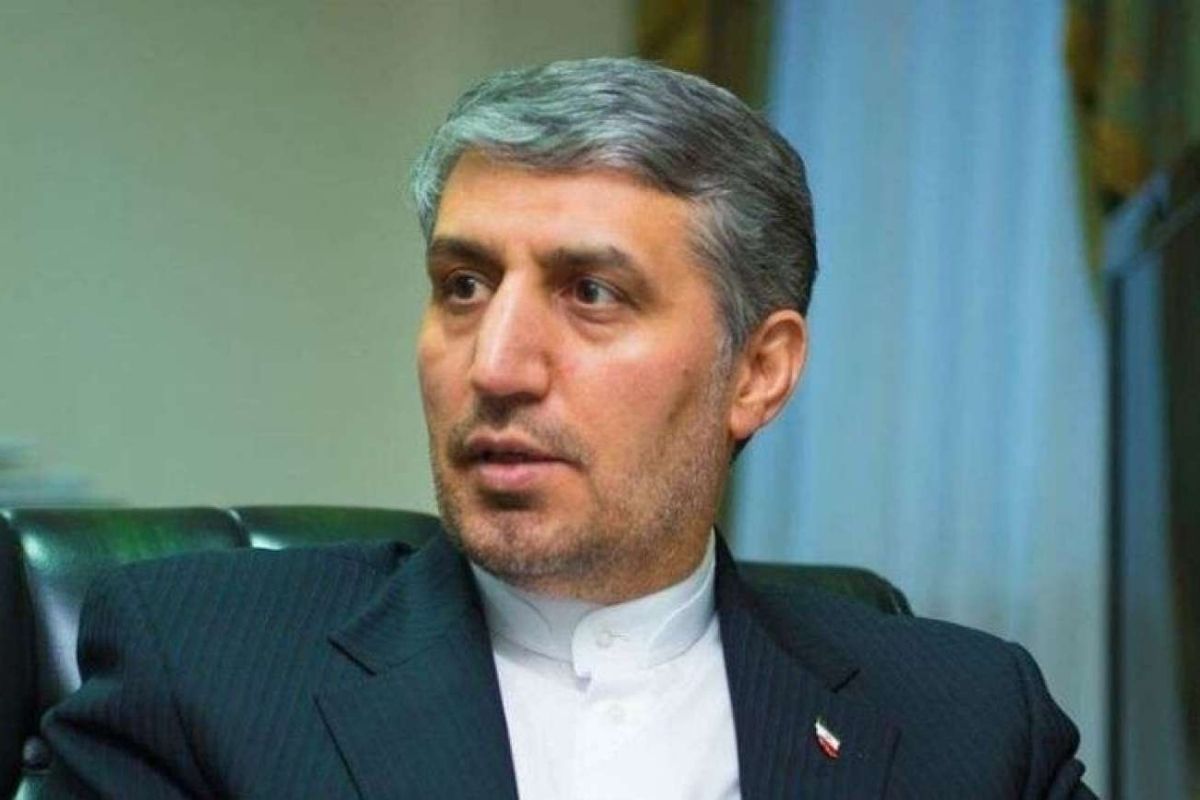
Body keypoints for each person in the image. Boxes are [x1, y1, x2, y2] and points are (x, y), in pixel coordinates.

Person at [41, 58, 1096, 799]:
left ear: (758, 373)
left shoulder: (967, 721)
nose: (495, 367)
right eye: (464, 284)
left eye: (592, 292)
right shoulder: (205, 668)